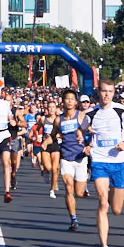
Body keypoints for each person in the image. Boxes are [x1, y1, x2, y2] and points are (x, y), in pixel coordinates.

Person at [83, 80, 124, 247]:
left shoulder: (122, 111)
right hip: (99, 160)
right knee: (103, 203)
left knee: (116, 209)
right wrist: (83, 141)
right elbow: (82, 129)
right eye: (103, 91)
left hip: (120, 162)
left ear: (113, 93)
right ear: (98, 92)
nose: (106, 94)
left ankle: (122, 198)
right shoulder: (91, 113)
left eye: (109, 91)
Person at [55, 89, 89, 231]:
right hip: (66, 157)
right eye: (67, 99)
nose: (69, 101)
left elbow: (90, 130)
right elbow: (53, 134)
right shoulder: (59, 119)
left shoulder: (81, 116)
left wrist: (85, 138)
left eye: (72, 99)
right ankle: (73, 218)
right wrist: (46, 142)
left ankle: (86, 175)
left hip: (80, 157)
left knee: (79, 193)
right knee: (69, 188)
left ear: (76, 102)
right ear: (63, 102)